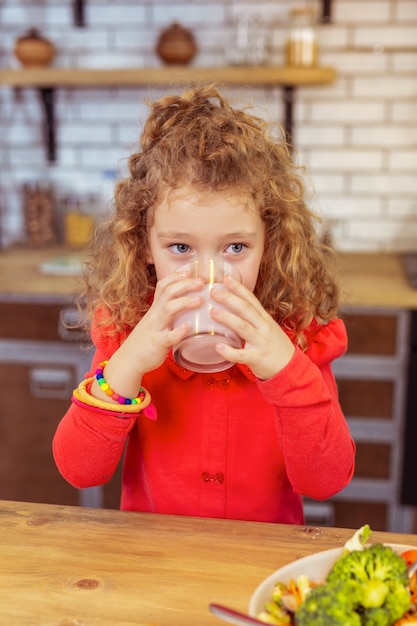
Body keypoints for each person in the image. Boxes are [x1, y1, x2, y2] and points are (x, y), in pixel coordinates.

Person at [53, 85, 355, 524]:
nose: (206, 274)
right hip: (155, 562)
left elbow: (325, 482)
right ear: (144, 246)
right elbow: (79, 471)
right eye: (180, 247)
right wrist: (129, 362)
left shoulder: (297, 337)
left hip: (261, 567)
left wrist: (285, 368)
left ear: (268, 246)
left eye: (235, 248)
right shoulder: (129, 333)